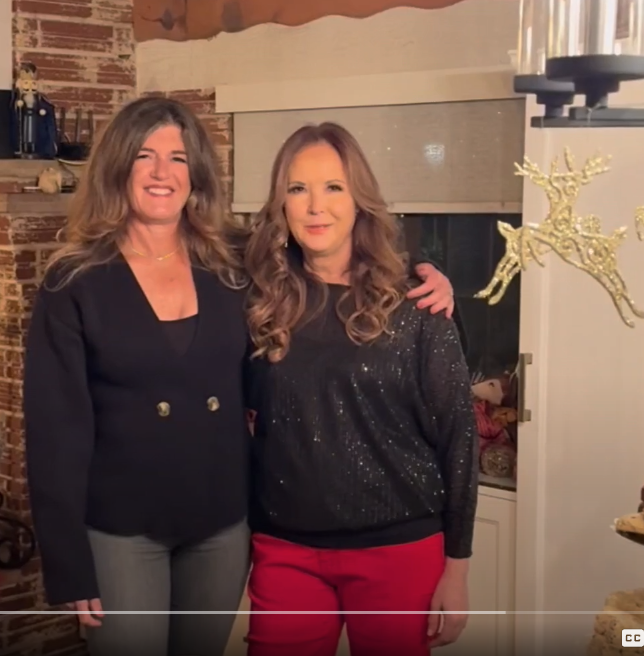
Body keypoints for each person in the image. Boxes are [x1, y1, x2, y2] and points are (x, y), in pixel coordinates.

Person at [23, 97, 456, 656]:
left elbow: (330, 253)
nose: (161, 172)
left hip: (222, 524)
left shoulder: (234, 260)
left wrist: (424, 275)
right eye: (144, 156)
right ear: (117, 167)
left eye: (178, 158)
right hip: (121, 526)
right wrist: (66, 562)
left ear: (196, 173)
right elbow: (54, 432)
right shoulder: (74, 281)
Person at [242, 123, 479, 656]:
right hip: (285, 550)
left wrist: (458, 569)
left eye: (334, 187)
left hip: (400, 549)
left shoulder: (418, 305)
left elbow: (459, 440)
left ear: (359, 200)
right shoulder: (258, 299)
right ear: (281, 203)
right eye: (298, 189)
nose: (315, 206)